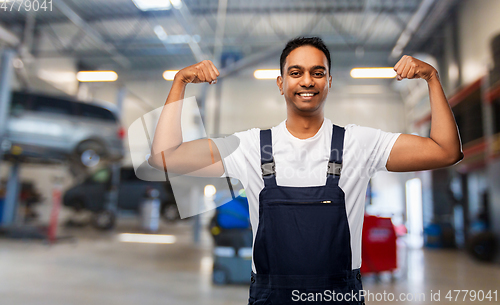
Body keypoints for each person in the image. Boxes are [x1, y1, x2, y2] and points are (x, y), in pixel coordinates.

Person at [149, 37, 463, 304]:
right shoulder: (249, 147)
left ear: (329, 81)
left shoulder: (361, 143)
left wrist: (433, 78)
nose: (307, 81)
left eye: (317, 72)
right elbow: (165, 156)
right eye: (296, 72)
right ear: (281, 83)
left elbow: (446, 152)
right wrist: (180, 83)